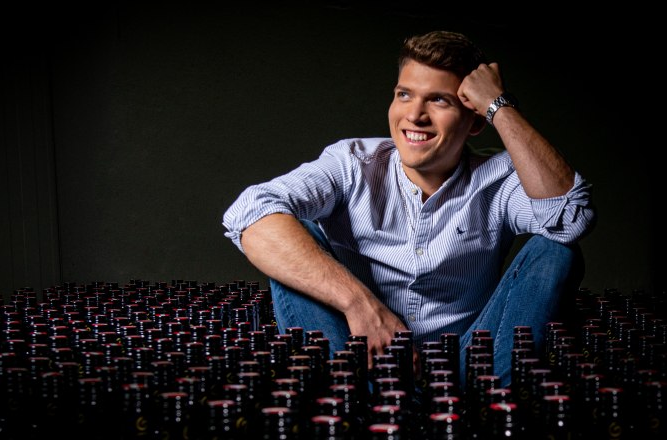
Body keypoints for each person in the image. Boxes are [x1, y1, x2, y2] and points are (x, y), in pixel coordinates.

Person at [222, 30, 595, 389]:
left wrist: (499, 105)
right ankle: (350, 400)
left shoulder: (499, 178)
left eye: (439, 100)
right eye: (404, 95)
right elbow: (248, 211)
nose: (414, 115)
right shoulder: (352, 163)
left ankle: (485, 405)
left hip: (468, 368)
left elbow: (570, 218)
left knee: (555, 249)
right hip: (360, 358)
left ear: (476, 120)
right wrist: (362, 306)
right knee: (290, 239)